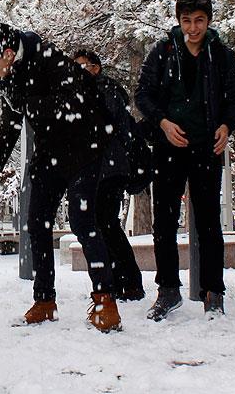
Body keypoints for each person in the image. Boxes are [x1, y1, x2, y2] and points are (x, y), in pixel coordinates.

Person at [0, 23, 121, 332]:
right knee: (36, 222)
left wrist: (23, 96)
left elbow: (65, 106)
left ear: (9, 53)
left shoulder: (49, 60)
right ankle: (44, 300)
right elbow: (9, 129)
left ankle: (105, 299)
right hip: (50, 153)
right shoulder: (11, 77)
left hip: (84, 148)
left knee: (83, 222)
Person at [135, 0, 235, 320]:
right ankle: (168, 290)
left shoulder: (221, 54)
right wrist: (164, 123)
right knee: (165, 221)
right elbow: (143, 95)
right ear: (179, 21)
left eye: (199, 21)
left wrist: (227, 125)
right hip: (169, 147)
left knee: (209, 221)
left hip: (206, 147)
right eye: (187, 21)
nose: (193, 28)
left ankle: (214, 292)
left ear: (208, 20)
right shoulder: (163, 52)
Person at [72, 49, 145, 301]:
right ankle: (119, 281)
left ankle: (126, 281)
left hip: (109, 170)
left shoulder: (105, 90)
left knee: (106, 225)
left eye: (84, 67)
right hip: (99, 170)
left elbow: (112, 128)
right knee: (104, 225)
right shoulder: (83, 94)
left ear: (96, 68)